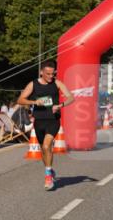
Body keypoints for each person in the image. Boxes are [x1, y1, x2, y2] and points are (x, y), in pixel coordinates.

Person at [17, 59, 73, 190]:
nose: (50, 76)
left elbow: (71, 97)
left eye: (53, 74)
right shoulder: (33, 84)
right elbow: (20, 100)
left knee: (48, 145)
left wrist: (61, 105)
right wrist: (34, 102)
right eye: (48, 74)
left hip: (53, 120)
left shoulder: (57, 83)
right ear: (41, 72)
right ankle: (50, 170)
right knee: (44, 149)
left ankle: (48, 176)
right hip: (39, 121)